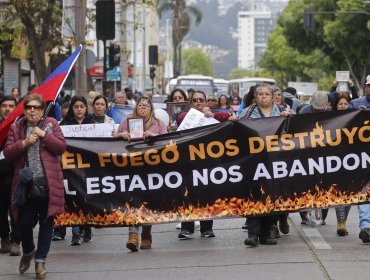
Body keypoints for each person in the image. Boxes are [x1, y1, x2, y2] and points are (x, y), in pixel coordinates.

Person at [4, 94, 66, 279]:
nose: (32, 110)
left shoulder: (52, 124)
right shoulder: (17, 126)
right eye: (29, 107)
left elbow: (61, 147)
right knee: (23, 223)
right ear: (24, 109)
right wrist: (23, 143)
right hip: (25, 185)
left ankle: (40, 261)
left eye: (36, 107)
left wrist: (44, 136)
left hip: (48, 183)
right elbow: (8, 153)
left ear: (42, 109)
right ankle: (29, 250)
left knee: (47, 224)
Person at [232, 84, 290, 247]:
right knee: (254, 195)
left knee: (271, 196)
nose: (264, 97)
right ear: (255, 98)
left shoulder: (282, 111)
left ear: (272, 97)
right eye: (260, 94)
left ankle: (266, 233)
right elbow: (237, 132)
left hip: (275, 162)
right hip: (253, 162)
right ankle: (253, 234)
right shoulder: (247, 113)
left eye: (267, 94)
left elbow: (296, 128)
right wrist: (234, 122)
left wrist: (289, 117)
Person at [116, 97, 168, 252]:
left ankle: (146, 233)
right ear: (136, 107)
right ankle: (133, 235)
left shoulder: (159, 124)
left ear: (151, 108)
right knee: (133, 200)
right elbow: (112, 140)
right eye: (140, 104)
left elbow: (167, 144)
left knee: (148, 202)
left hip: (151, 170)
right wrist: (121, 135)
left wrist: (155, 137)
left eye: (146, 105)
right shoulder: (127, 121)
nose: (143, 107)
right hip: (131, 168)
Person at [177, 91, 230, 240]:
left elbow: (226, 115)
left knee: (207, 194)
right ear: (190, 103)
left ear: (206, 102)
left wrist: (211, 114)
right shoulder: (186, 116)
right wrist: (199, 114)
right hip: (188, 161)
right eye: (195, 100)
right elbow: (179, 118)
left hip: (208, 162)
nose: (198, 102)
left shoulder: (212, 115)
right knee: (188, 195)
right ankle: (186, 228)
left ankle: (207, 228)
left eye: (201, 100)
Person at [56, 96, 96, 245]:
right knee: (74, 199)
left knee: (87, 198)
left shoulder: (94, 124)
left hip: (89, 168)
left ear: (86, 108)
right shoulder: (64, 125)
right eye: (76, 107)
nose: (79, 110)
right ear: (72, 108)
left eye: (82, 106)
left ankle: (87, 227)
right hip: (71, 169)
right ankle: (75, 232)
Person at [298, 91, 331, 225]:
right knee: (305, 185)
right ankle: (304, 213)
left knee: (324, 185)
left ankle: (323, 214)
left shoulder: (331, 113)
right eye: (316, 109)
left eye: (320, 109)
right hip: (306, 153)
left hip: (324, 153)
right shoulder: (304, 111)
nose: (318, 111)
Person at [0, 96, 21, 256]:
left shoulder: (20, 125)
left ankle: (16, 241)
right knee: (1, 210)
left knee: (16, 209)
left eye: (11, 106)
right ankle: (4, 238)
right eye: (4, 106)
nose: (7, 109)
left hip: (16, 174)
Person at [350, 75, 370, 243]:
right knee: (365, 191)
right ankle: (366, 227)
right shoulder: (356, 104)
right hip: (361, 157)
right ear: (365, 87)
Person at [332, 93, 352, 236]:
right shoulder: (330, 119)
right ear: (336, 106)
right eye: (340, 104)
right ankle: (341, 221)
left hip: (351, 161)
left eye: (345, 104)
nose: (343, 106)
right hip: (334, 161)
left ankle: (343, 220)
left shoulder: (354, 118)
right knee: (338, 190)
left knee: (350, 191)